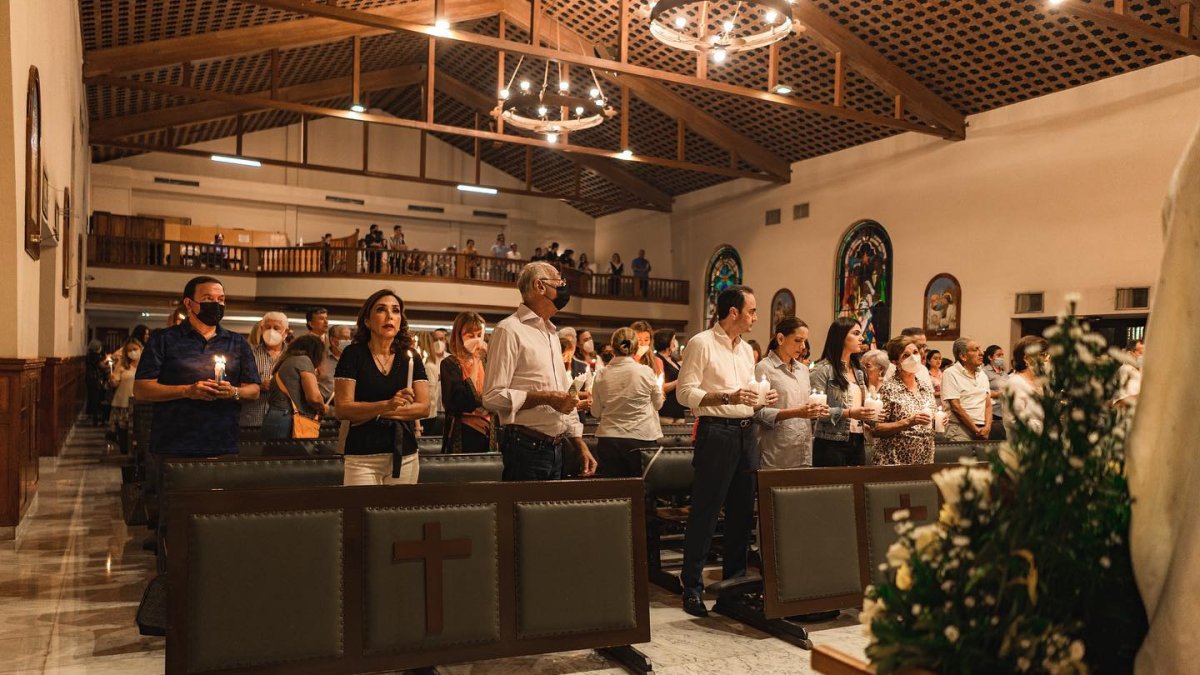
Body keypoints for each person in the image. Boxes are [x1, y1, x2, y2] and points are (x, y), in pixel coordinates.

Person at [675, 285, 777, 618]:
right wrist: (728, 398)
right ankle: (691, 586)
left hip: (746, 434)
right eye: (752, 311)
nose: (756, 317)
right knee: (706, 511)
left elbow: (745, 393)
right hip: (716, 433)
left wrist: (761, 399)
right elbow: (685, 393)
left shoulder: (747, 350)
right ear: (733, 312)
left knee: (741, 514)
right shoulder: (701, 343)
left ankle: (733, 588)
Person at [482, 262, 598, 480]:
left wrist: (579, 443)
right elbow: (492, 397)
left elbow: (567, 394)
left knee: (548, 514)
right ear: (540, 286)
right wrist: (546, 397)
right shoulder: (509, 330)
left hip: (556, 447)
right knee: (522, 512)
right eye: (559, 281)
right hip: (525, 447)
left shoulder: (552, 334)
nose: (564, 287)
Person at [134, 276, 261, 457]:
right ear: (189, 303)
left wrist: (233, 392)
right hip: (173, 441)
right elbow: (141, 389)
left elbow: (254, 390)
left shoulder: (237, 342)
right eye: (208, 298)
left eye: (221, 299)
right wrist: (186, 391)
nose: (216, 304)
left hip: (222, 440)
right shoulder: (163, 339)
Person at [334, 289, 431, 484]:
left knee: (397, 514)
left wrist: (372, 412)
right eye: (381, 310)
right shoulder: (353, 354)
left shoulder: (410, 356)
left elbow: (423, 408)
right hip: (363, 456)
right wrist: (387, 404)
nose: (390, 316)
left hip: (404, 454)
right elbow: (343, 409)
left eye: (395, 311)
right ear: (368, 321)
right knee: (360, 513)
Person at [754, 317, 829, 469]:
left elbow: (806, 407)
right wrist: (796, 412)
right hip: (777, 450)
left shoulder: (803, 370)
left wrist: (816, 410)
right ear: (781, 338)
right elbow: (757, 414)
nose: (803, 347)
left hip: (803, 448)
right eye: (798, 340)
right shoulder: (764, 368)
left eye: (804, 341)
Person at [591, 327, 664, 477]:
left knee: (614, 493)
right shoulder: (645, 371)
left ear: (613, 346)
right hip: (641, 437)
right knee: (640, 491)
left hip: (609, 439)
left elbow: (595, 412)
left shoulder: (601, 374)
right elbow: (658, 405)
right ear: (636, 347)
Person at [810, 318, 879, 467]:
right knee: (834, 488)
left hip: (858, 439)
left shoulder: (859, 371)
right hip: (831, 442)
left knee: (857, 487)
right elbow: (817, 412)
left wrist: (875, 414)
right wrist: (849, 413)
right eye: (855, 333)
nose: (861, 338)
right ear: (840, 337)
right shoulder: (822, 369)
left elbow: (861, 408)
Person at [871, 336, 937, 465]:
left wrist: (939, 421)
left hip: (924, 456)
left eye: (915, 353)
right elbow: (876, 429)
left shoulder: (925, 387)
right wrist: (908, 422)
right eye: (906, 355)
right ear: (895, 361)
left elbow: (930, 420)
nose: (913, 358)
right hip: (894, 458)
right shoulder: (888, 389)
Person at [441, 312, 497, 453]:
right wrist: (476, 360)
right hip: (464, 432)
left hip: (490, 430)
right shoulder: (450, 364)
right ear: (459, 337)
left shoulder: (488, 362)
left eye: (479, 335)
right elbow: (458, 401)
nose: (477, 340)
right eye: (470, 336)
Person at [261, 335, 327, 439]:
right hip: (289, 421)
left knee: (273, 454)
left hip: (274, 417)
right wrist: (323, 408)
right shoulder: (304, 360)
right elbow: (314, 397)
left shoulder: (286, 361)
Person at [239, 311, 288, 427]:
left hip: (282, 422)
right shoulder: (248, 354)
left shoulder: (292, 357)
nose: (271, 332)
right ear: (261, 329)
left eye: (276, 328)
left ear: (285, 332)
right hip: (252, 420)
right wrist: (259, 386)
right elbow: (236, 384)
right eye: (268, 327)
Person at [942, 336, 993, 442]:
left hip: (982, 428)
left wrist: (987, 427)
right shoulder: (950, 373)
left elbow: (988, 404)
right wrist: (976, 430)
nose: (981, 353)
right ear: (963, 356)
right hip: (960, 429)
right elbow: (956, 407)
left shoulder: (982, 374)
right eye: (975, 350)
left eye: (980, 348)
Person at [1002, 335, 1049, 436]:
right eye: (1043, 355)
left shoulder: (1042, 383)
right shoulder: (1015, 383)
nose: (1047, 359)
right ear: (1027, 359)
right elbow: (1015, 421)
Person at [108, 337, 142, 453]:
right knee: (124, 433)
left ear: (140, 349)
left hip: (140, 403)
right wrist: (113, 380)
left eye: (135, 349)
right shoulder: (123, 365)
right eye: (129, 350)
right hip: (123, 403)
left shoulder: (146, 365)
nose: (132, 352)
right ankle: (125, 456)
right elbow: (115, 381)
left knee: (139, 433)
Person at [419, 328, 449, 436]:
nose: (438, 342)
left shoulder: (450, 359)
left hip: (446, 409)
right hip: (432, 411)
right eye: (435, 339)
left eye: (441, 339)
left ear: (446, 340)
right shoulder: (428, 360)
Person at [654, 328, 688, 424]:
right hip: (666, 409)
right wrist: (679, 381)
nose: (675, 343)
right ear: (666, 341)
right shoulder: (658, 359)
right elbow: (660, 387)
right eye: (673, 339)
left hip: (677, 408)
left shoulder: (672, 359)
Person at [319, 324, 353, 404]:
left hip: (349, 407)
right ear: (333, 341)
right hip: (326, 406)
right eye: (345, 338)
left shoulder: (353, 359)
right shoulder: (320, 358)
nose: (348, 342)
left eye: (349, 338)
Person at [983, 344, 1008, 439]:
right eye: (998, 355)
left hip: (1005, 411)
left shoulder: (1004, 373)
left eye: (1002, 355)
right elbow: (982, 391)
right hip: (993, 411)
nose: (1001, 357)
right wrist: (999, 393)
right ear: (990, 357)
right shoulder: (984, 372)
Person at [85, 340, 109, 426]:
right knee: (96, 399)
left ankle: (94, 418)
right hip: (95, 379)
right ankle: (95, 420)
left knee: (93, 398)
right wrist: (108, 365)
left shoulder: (89, 354)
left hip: (90, 379)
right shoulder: (95, 355)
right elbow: (101, 366)